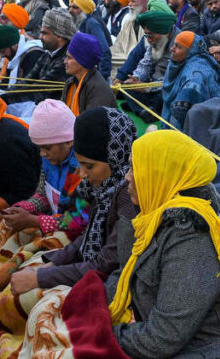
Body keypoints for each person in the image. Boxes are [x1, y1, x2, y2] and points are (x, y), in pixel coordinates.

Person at [104, 129, 220, 359]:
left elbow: (163, 338)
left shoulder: (193, 239)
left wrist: (106, 334)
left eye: (136, 167)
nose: (127, 177)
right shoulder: (153, 217)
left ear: (162, 174)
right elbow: (122, 275)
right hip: (162, 341)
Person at [10, 106, 137, 294]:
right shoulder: (102, 185)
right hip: (80, 255)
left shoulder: (127, 196)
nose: (83, 174)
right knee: (19, 261)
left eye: (89, 166)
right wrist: (27, 208)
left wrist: (36, 222)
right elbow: (87, 235)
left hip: (102, 277)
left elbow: (81, 224)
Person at [0, 99, 89, 239]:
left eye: (47, 148)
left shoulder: (82, 168)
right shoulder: (49, 159)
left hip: (76, 237)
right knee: (7, 228)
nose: (42, 154)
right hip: (54, 225)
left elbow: (81, 220)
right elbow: (43, 195)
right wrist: (23, 208)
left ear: (69, 141)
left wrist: (34, 220)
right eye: (39, 148)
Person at [161, 31, 220, 130]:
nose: (172, 49)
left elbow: (180, 113)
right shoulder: (185, 61)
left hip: (211, 119)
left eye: (178, 47)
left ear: (190, 51)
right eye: (174, 45)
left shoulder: (194, 77)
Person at [61, 32, 116, 115]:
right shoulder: (70, 82)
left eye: (69, 58)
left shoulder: (99, 89)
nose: (65, 61)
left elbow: (93, 125)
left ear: (82, 61)